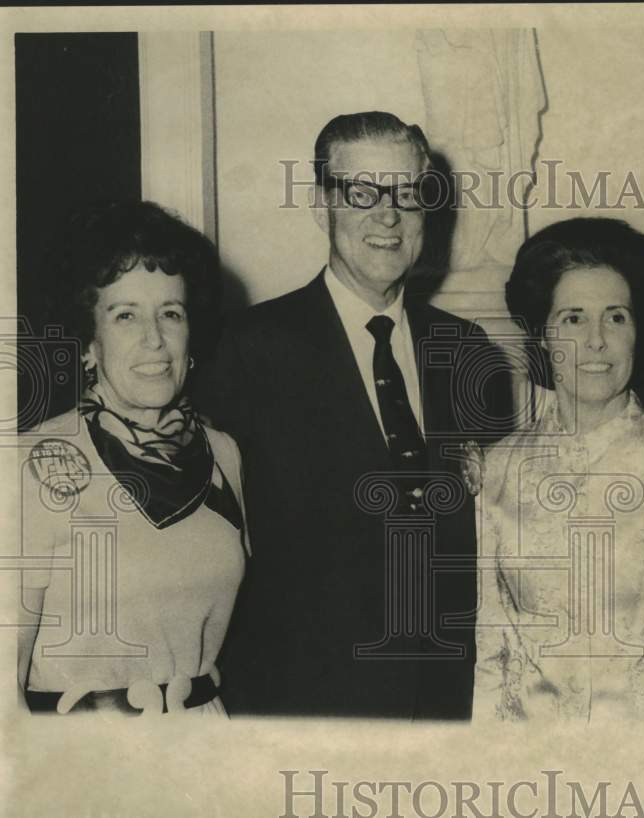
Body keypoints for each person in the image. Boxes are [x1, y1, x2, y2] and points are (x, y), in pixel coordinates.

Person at [193, 111, 513, 718]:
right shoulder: (246, 349)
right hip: (302, 708)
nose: (386, 216)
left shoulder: (470, 352)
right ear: (322, 206)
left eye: (406, 194)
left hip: (448, 709)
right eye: (361, 193)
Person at [474, 217, 644, 724]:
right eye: (573, 318)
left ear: (638, 333)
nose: (597, 341)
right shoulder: (498, 470)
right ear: (542, 335)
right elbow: (489, 654)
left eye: (616, 317)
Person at [17, 200, 247, 715]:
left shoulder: (225, 455)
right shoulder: (31, 462)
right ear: (87, 342)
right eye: (125, 316)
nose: (154, 339)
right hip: (86, 761)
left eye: (171, 313)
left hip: (205, 744)